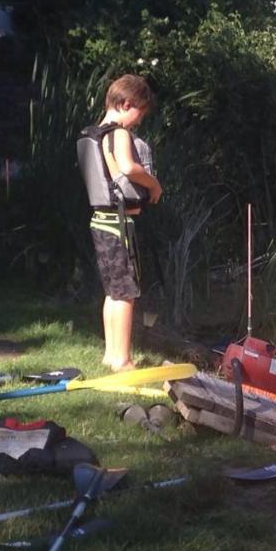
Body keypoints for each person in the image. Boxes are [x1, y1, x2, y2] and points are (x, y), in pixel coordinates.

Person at [78, 74, 162, 372]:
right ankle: (123, 360)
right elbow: (127, 167)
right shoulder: (119, 133)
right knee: (126, 294)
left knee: (113, 292)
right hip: (118, 223)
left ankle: (111, 355)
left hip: (101, 221)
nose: (138, 122)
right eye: (138, 114)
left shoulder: (95, 132)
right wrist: (154, 185)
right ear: (127, 104)